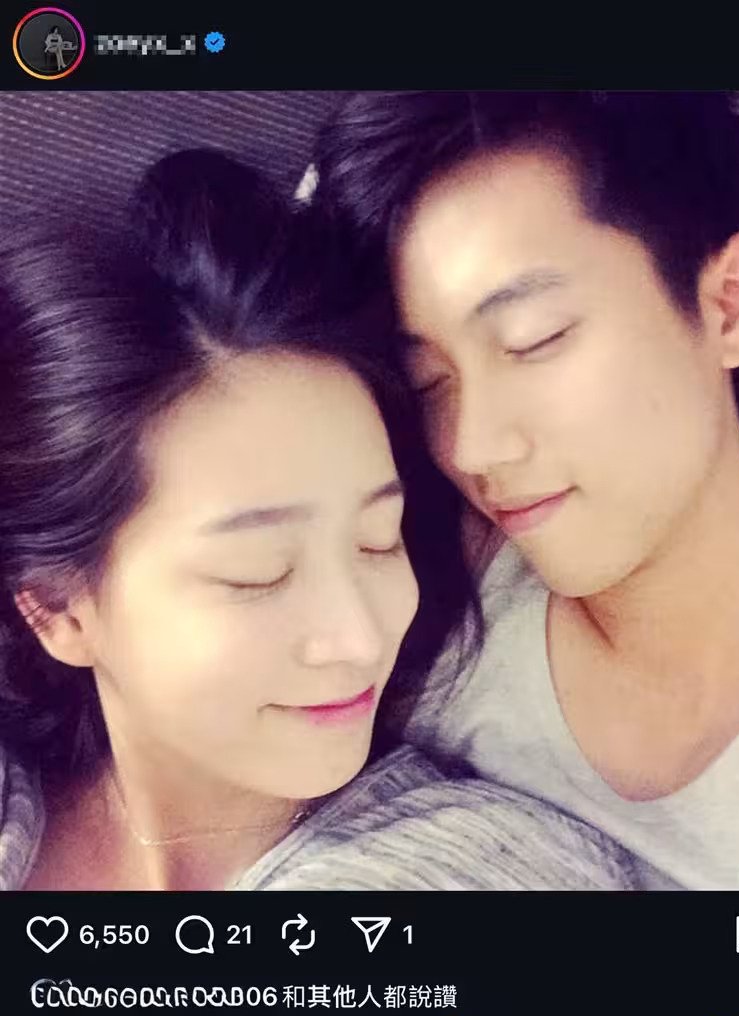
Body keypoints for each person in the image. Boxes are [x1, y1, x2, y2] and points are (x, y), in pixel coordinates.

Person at [0, 148, 640, 891]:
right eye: (260, 574)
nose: (361, 638)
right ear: (57, 607)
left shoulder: (480, 870)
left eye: (378, 542)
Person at [313, 91, 739, 889]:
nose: (472, 446)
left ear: (730, 304)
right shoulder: (409, 608)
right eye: (429, 381)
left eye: (533, 341)